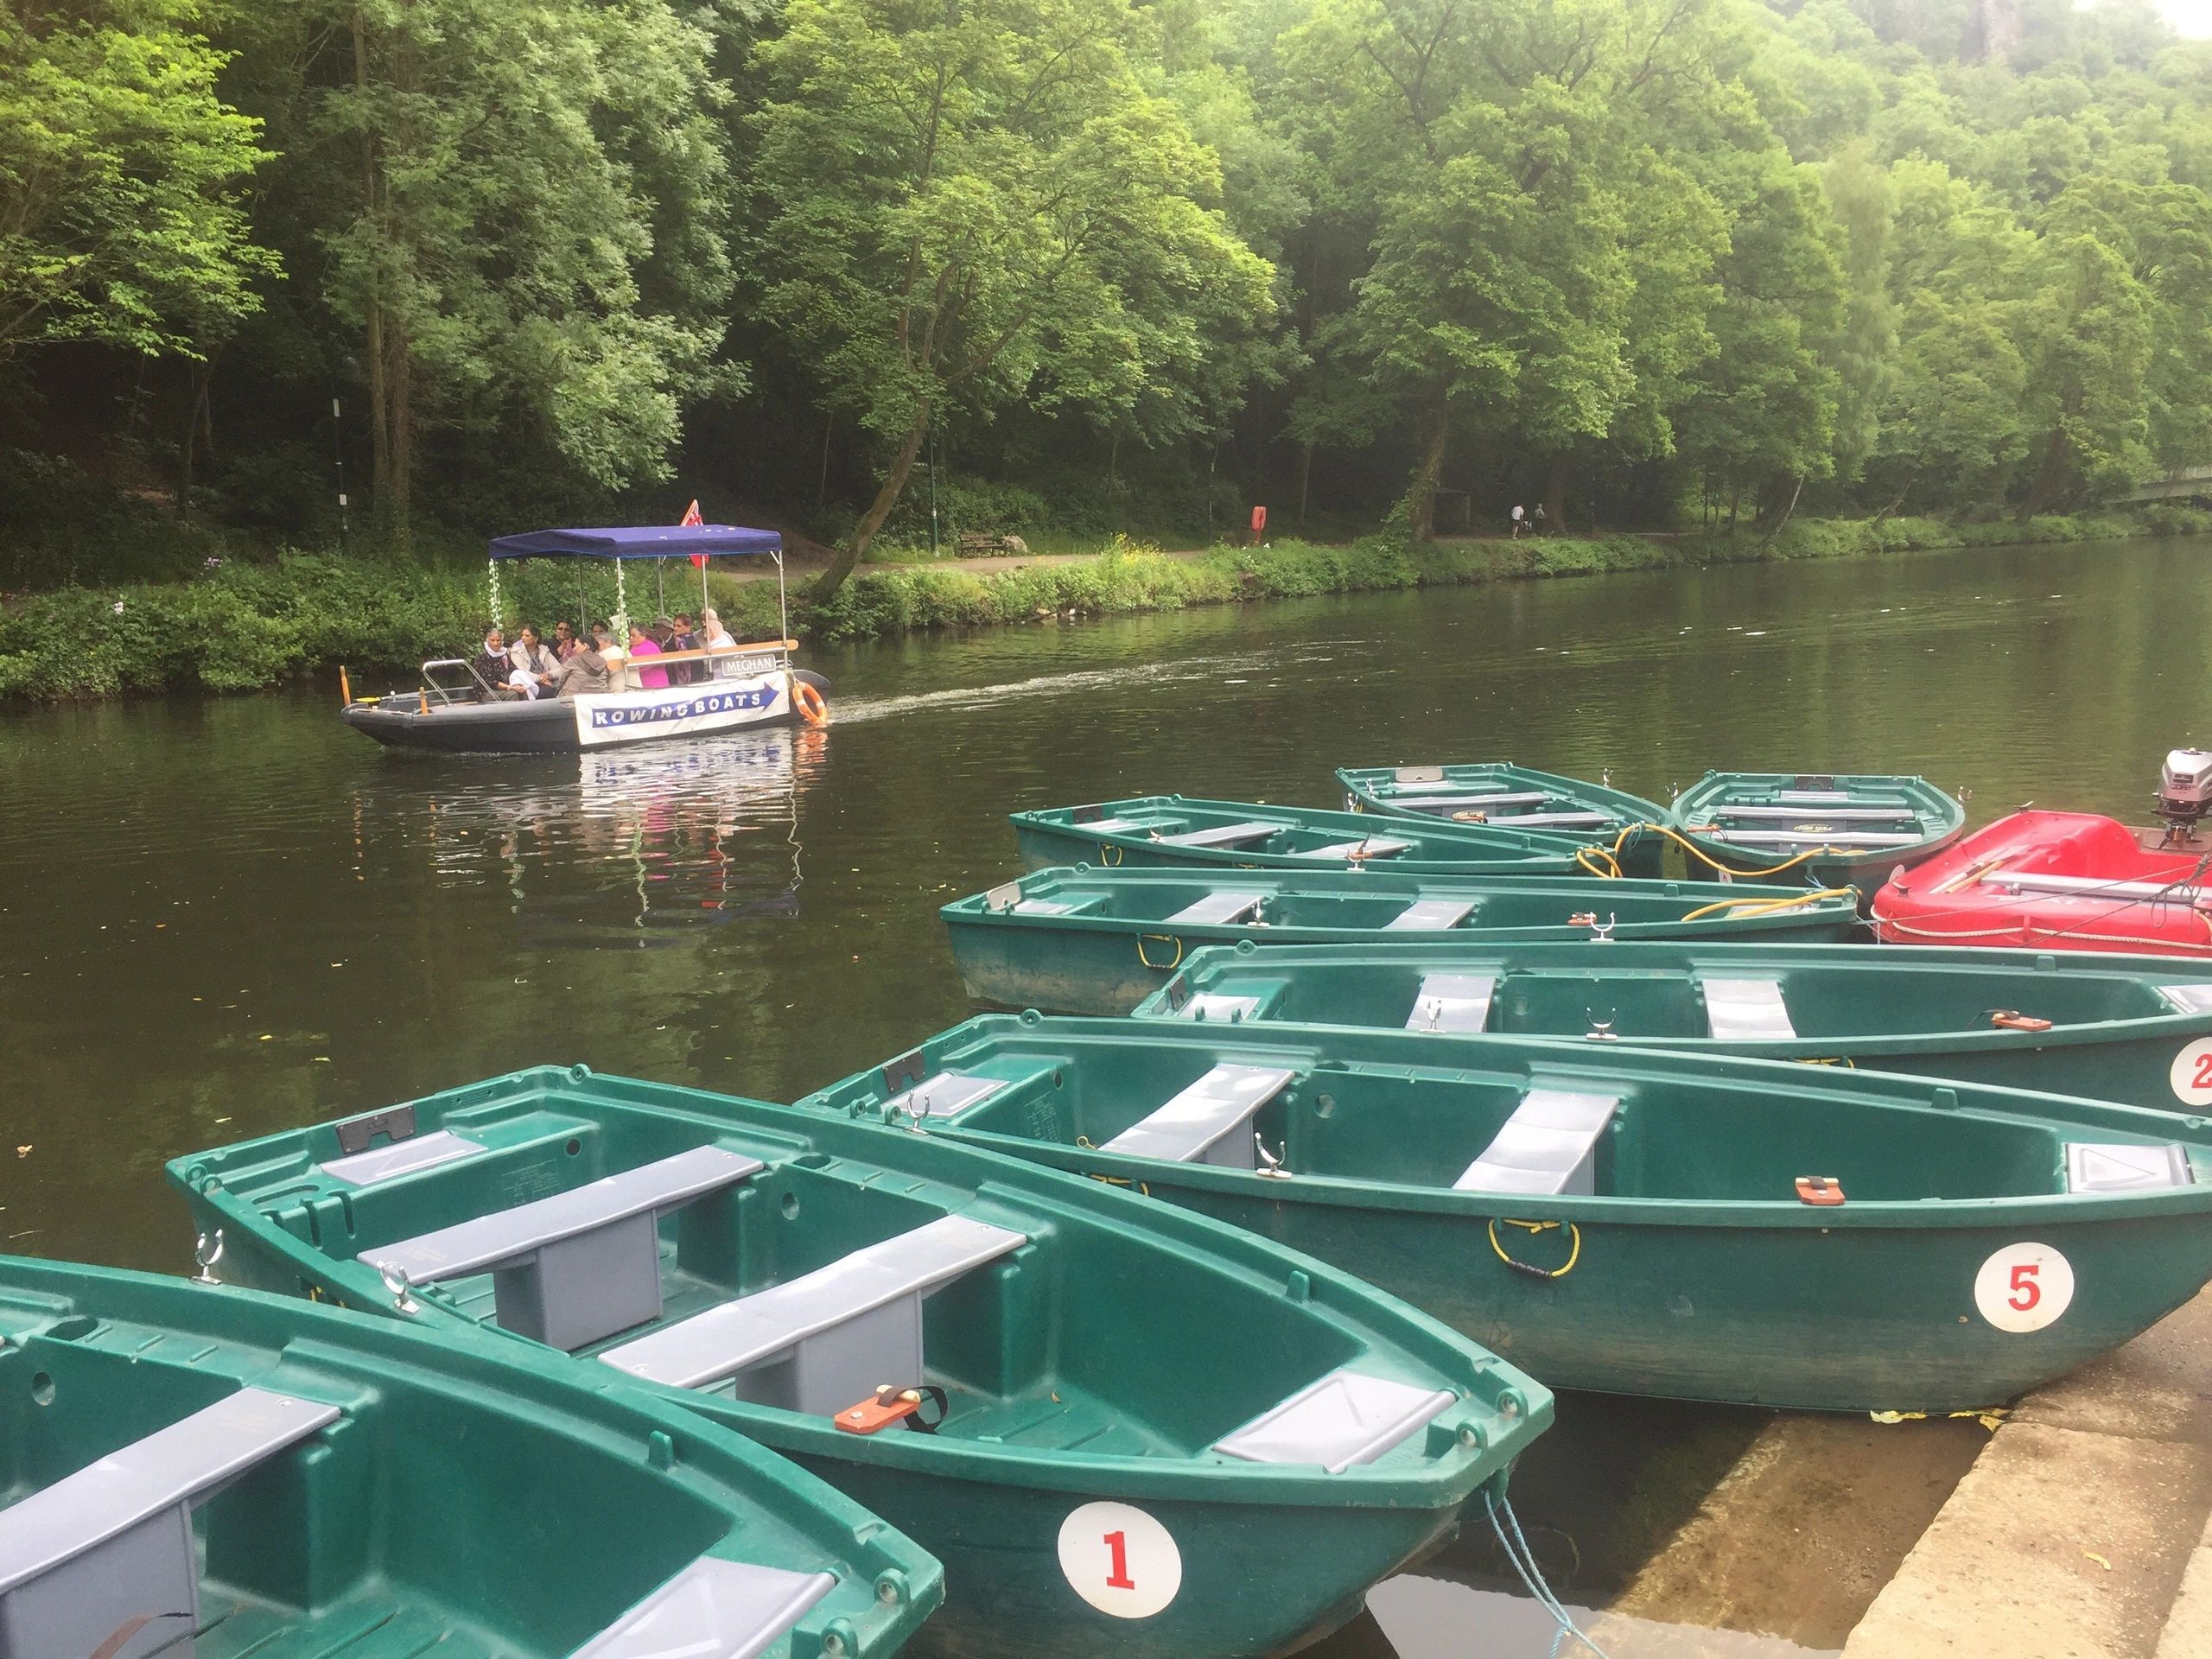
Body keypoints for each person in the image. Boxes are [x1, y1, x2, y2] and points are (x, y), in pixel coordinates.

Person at [551, 629, 611, 697]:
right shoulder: (603, 661)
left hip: (575, 699)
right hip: (600, 697)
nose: (574, 648)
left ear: (585, 646)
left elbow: (562, 679)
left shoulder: (573, 661)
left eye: (576, 645)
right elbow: (607, 680)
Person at [510, 625, 558, 694]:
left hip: (546, 681)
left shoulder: (544, 650)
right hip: (527, 683)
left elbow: (559, 669)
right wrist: (541, 678)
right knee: (547, 690)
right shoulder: (516, 652)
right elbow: (521, 672)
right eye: (522, 635)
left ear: (536, 638)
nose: (523, 638)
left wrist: (548, 675)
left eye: (527, 636)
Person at [628, 620, 667, 690]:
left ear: (643, 635)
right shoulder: (653, 645)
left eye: (633, 636)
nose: (631, 638)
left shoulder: (635, 650)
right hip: (663, 684)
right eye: (630, 636)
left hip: (649, 686)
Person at [473, 629, 512, 696]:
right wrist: (509, 687)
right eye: (492, 640)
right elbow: (489, 681)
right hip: (486, 691)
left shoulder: (504, 655)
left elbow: (513, 670)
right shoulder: (483, 656)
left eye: (498, 640)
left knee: (523, 690)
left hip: (504, 688)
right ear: (488, 641)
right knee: (512, 694)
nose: (495, 644)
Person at [700, 607, 736, 676]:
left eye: (706, 620)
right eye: (702, 620)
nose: (703, 623)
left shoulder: (725, 636)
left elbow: (737, 655)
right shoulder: (696, 636)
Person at [667, 613, 699, 685]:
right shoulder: (674, 642)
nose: (675, 628)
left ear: (688, 628)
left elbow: (697, 664)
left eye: (679, 626)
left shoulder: (691, 642)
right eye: (674, 626)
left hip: (693, 680)